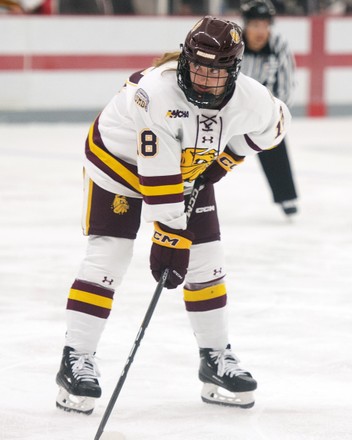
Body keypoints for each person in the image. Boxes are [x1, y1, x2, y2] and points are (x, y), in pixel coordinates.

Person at [55, 15, 291, 415]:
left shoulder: (251, 97)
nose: (204, 79)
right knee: (109, 256)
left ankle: (214, 359)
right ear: (184, 59)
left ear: (235, 70)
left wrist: (228, 159)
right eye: (199, 66)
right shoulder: (155, 94)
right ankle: (75, 359)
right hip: (118, 166)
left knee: (208, 264)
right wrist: (169, 238)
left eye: (217, 72)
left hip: (181, 172)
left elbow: (275, 127)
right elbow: (161, 183)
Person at [240, 0, 298, 216]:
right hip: (230, 112)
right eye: (255, 25)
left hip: (265, 113)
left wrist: (275, 117)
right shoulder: (235, 44)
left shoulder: (278, 45)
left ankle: (286, 197)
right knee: (206, 150)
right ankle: (194, 192)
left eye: (265, 25)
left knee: (275, 145)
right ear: (246, 25)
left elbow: (286, 85)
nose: (260, 31)